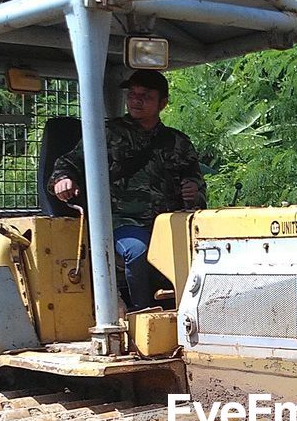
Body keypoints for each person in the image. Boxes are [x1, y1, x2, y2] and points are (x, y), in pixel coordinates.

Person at [47, 69, 206, 311]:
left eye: (146, 96)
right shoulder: (107, 134)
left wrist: (194, 190)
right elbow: (68, 162)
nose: (136, 100)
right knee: (138, 251)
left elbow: (196, 180)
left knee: (203, 250)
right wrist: (63, 179)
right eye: (132, 94)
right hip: (121, 222)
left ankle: (192, 311)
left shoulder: (177, 142)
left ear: (163, 103)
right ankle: (144, 313)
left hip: (167, 223)